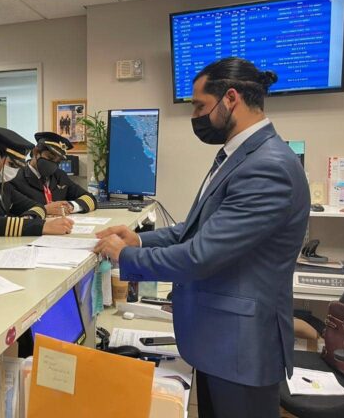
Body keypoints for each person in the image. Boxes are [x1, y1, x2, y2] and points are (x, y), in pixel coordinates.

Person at [94, 57, 310, 418]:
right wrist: (139, 240)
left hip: (241, 349)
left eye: (199, 106)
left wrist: (125, 257)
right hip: (219, 340)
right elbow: (193, 229)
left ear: (231, 98)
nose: (195, 116)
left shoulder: (267, 166)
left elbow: (200, 255)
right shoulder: (238, 155)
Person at [10, 132, 96, 215]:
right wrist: (46, 210)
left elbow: (90, 198)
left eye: (58, 162)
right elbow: (14, 211)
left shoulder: (59, 176)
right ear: (36, 152)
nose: (52, 164)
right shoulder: (15, 177)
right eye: (50, 158)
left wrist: (71, 206)